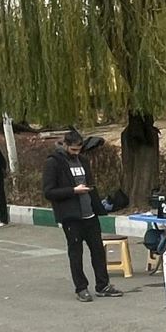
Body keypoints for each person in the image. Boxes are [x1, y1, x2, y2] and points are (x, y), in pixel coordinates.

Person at [43, 129, 123, 301]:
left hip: (89, 214)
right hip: (71, 217)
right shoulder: (54, 163)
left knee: (98, 251)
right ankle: (81, 288)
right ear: (65, 145)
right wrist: (73, 190)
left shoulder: (83, 161)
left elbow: (90, 184)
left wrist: (98, 205)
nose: (76, 153)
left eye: (78, 150)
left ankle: (103, 285)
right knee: (76, 253)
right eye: (73, 150)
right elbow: (49, 192)